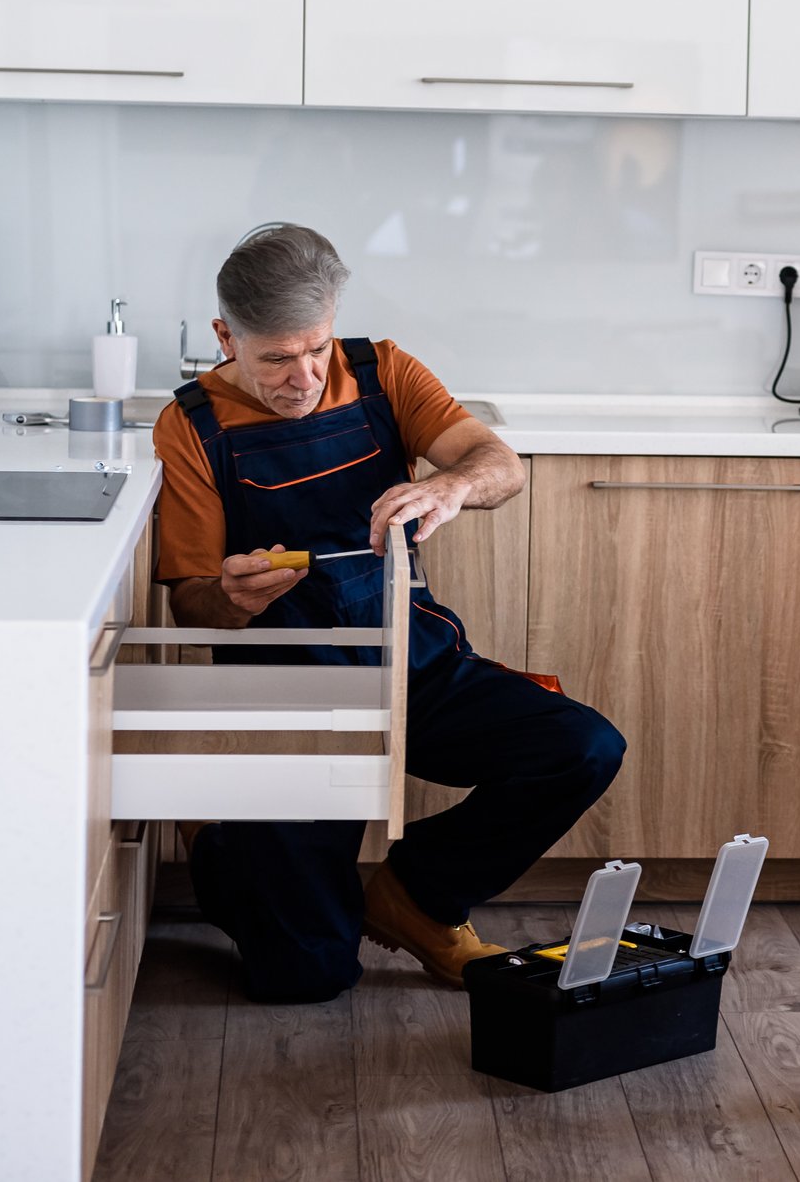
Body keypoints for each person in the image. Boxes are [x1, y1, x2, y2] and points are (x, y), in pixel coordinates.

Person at [152, 224, 625, 1001]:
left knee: (582, 747)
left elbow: (498, 465)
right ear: (225, 336)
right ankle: (220, 835)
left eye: (316, 348)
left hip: (416, 665)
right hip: (290, 705)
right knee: (306, 977)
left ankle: (415, 898)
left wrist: (450, 487)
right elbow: (192, 600)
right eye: (275, 358)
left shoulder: (383, 371)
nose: (303, 376)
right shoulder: (192, 426)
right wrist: (227, 595)